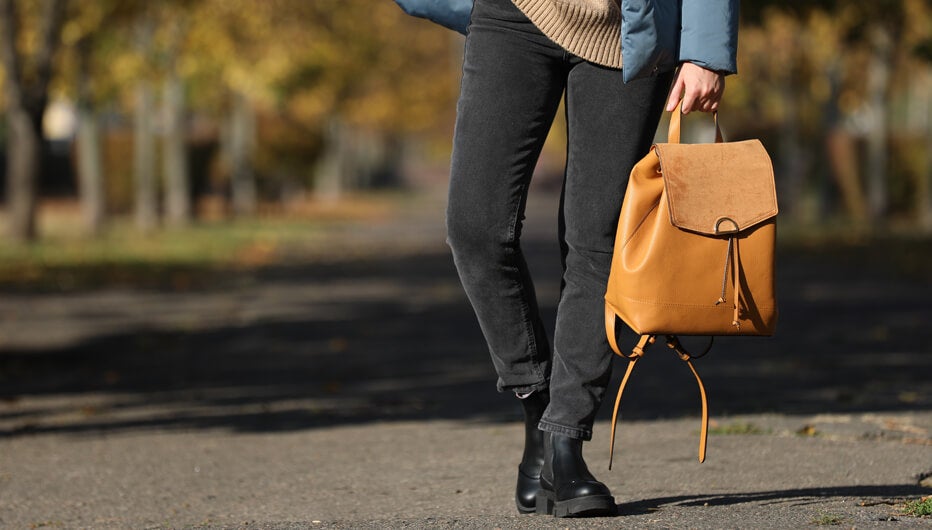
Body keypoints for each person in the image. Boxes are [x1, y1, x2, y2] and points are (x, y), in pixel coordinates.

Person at [443, 0, 738, 518]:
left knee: (597, 239)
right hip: (512, 15)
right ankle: (537, 402)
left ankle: (564, 445)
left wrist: (706, 51)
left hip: (629, 28)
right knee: (475, 228)